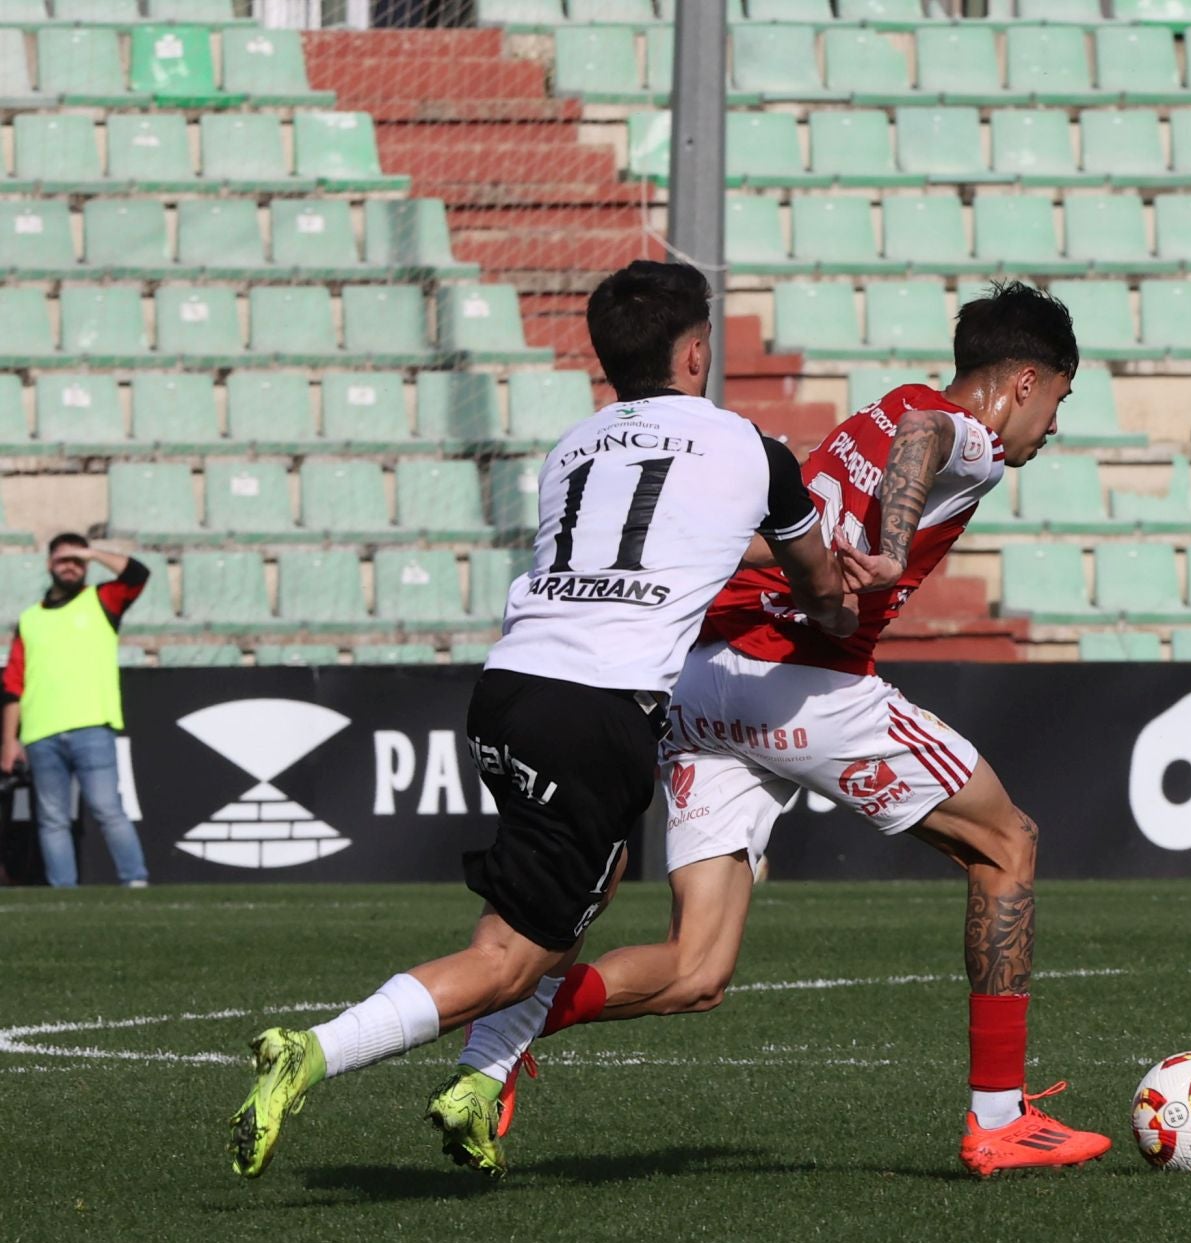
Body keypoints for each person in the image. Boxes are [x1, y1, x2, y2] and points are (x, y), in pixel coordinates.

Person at [462, 280, 1112, 1178]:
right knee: (1007, 844)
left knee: (697, 971)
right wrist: (887, 547)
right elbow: (933, 443)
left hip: (700, 683)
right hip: (801, 686)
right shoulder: (967, 433)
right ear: (1025, 382)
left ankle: (511, 1026)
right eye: (1060, 404)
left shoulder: (878, 412)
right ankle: (999, 1117)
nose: (1051, 428)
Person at [226, 260, 855, 1179]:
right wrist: (842, 597)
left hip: (510, 689)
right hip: (596, 712)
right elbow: (816, 582)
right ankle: (315, 1050)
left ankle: (477, 1088)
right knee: (509, 959)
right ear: (696, 351)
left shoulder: (575, 448)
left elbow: (665, 527)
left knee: (593, 887)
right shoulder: (754, 451)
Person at [0, 535, 151, 889]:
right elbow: (13, 685)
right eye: (62, 559)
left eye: (76, 561)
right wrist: (9, 740)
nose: (70, 566)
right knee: (52, 820)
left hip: (91, 726)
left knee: (107, 810)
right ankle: (63, 895)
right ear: (48, 564)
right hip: (40, 733)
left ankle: (135, 881)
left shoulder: (102, 600)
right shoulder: (30, 619)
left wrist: (93, 552)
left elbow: (138, 575)